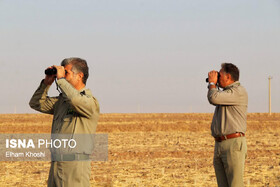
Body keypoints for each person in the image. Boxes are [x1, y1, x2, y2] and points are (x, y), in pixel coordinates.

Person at [29, 57, 100, 187]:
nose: (61, 76)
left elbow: (75, 101)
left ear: (79, 76)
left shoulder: (89, 102)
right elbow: (36, 103)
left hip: (75, 167)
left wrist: (61, 81)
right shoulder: (61, 102)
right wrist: (47, 83)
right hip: (56, 164)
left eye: (66, 73)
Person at [207, 63, 248, 187]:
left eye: (220, 75)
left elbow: (213, 98)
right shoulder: (226, 94)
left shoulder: (238, 92)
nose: (218, 78)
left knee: (235, 185)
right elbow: (215, 96)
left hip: (233, 144)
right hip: (220, 144)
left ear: (228, 77)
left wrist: (212, 84)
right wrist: (213, 85)